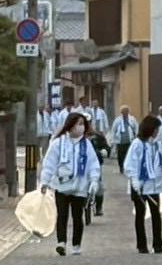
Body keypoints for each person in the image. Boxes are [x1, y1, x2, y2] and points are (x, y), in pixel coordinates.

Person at [39, 111, 103, 256]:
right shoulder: (58, 143)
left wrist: (94, 181)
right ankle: (61, 243)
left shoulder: (86, 145)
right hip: (61, 186)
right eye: (78, 124)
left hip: (80, 186)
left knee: (77, 216)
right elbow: (49, 164)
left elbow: (93, 164)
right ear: (70, 126)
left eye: (82, 124)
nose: (80, 127)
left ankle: (76, 244)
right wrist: (45, 181)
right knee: (62, 215)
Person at [123, 114, 162, 254]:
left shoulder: (157, 145)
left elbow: (160, 166)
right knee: (140, 214)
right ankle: (141, 245)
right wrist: (134, 180)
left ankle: (158, 243)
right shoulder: (137, 144)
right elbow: (131, 164)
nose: (157, 132)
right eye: (156, 129)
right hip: (140, 186)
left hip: (153, 186)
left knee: (156, 214)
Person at [86, 115, 111, 223]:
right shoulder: (76, 137)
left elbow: (107, 147)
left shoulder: (97, 136)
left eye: (88, 122)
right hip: (81, 167)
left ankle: (99, 207)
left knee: (99, 185)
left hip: (96, 165)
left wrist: (104, 151)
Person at [109, 105, 139, 169]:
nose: (124, 113)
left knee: (129, 155)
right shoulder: (117, 120)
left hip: (130, 140)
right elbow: (113, 130)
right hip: (120, 141)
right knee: (121, 156)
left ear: (128, 111)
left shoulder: (132, 119)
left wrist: (136, 136)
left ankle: (128, 167)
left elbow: (136, 127)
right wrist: (113, 140)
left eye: (126, 111)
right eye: (123, 111)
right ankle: (121, 167)